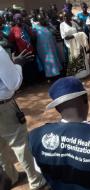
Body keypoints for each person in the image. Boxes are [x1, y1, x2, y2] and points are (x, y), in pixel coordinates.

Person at [0, 46, 49, 190]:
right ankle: (36, 181)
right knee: (20, 143)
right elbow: (14, 82)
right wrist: (17, 64)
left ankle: (11, 177)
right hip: (3, 107)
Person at [9, 13, 37, 84]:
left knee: (32, 65)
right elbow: (12, 41)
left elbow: (33, 37)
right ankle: (28, 82)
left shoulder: (26, 27)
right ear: (14, 21)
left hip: (30, 49)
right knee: (26, 67)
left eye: (20, 19)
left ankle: (34, 80)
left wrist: (29, 30)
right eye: (17, 19)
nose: (19, 20)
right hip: (22, 51)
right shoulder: (13, 30)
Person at [60, 11, 90, 78]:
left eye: (67, 16)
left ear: (70, 16)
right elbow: (65, 37)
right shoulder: (62, 25)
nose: (65, 17)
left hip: (77, 43)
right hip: (70, 45)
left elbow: (80, 29)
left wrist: (79, 31)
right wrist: (76, 35)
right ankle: (76, 75)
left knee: (81, 59)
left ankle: (83, 74)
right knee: (74, 60)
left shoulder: (73, 23)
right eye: (64, 16)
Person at [33, 14, 62, 80]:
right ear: (38, 20)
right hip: (43, 49)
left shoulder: (48, 26)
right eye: (41, 19)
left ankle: (56, 74)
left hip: (51, 47)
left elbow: (55, 32)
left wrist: (49, 26)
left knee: (54, 59)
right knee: (47, 62)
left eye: (43, 19)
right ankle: (49, 77)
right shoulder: (35, 28)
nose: (42, 20)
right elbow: (34, 38)